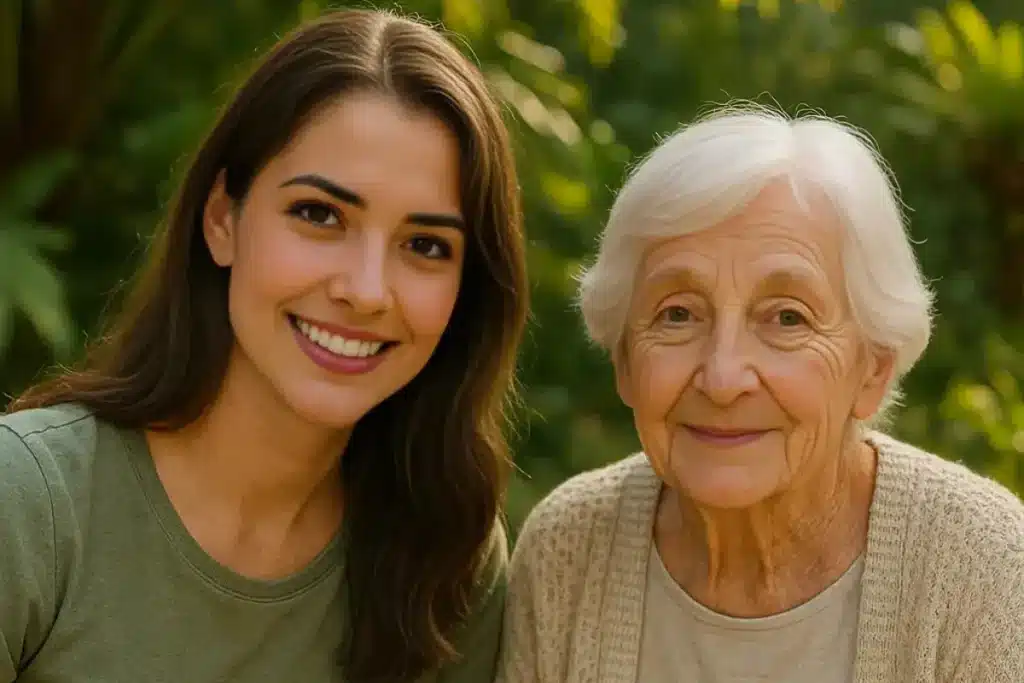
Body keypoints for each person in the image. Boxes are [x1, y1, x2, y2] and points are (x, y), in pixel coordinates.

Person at [0, 8, 527, 683]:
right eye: (320, 214)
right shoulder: (29, 504)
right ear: (223, 218)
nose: (367, 290)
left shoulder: (447, 558)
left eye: (425, 245)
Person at [497, 104, 1024, 683]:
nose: (723, 379)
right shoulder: (568, 552)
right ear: (623, 359)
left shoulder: (983, 568)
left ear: (873, 369)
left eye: (788, 319)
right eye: (677, 314)